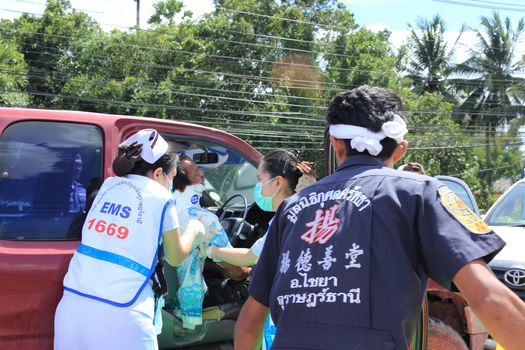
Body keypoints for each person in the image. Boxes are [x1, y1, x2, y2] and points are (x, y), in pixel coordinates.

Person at [234, 86, 525, 350]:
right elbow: (491, 300)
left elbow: (250, 321)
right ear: (401, 149)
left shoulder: (291, 208)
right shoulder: (420, 193)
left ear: (336, 144)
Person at [54, 129, 209, 350]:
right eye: (172, 177)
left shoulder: (107, 186)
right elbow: (175, 257)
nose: (171, 184)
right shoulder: (162, 198)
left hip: (72, 306)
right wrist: (194, 228)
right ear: (158, 174)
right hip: (123, 312)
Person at [207, 149, 316, 350]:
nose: (257, 186)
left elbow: (251, 256)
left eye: (259, 179)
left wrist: (209, 251)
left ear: (277, 182)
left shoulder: (284, 218)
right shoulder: (304, 212)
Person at [170, 154, 249, 329]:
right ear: (183, 187)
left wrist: (218, 269)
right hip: (192, 308)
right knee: (248, 299)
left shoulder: (165, 213)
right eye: (195, 172)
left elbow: (187, 256)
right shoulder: (203, 219)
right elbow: (237, 270)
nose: (201, 173)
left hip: (168, 301)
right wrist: (250, 270)